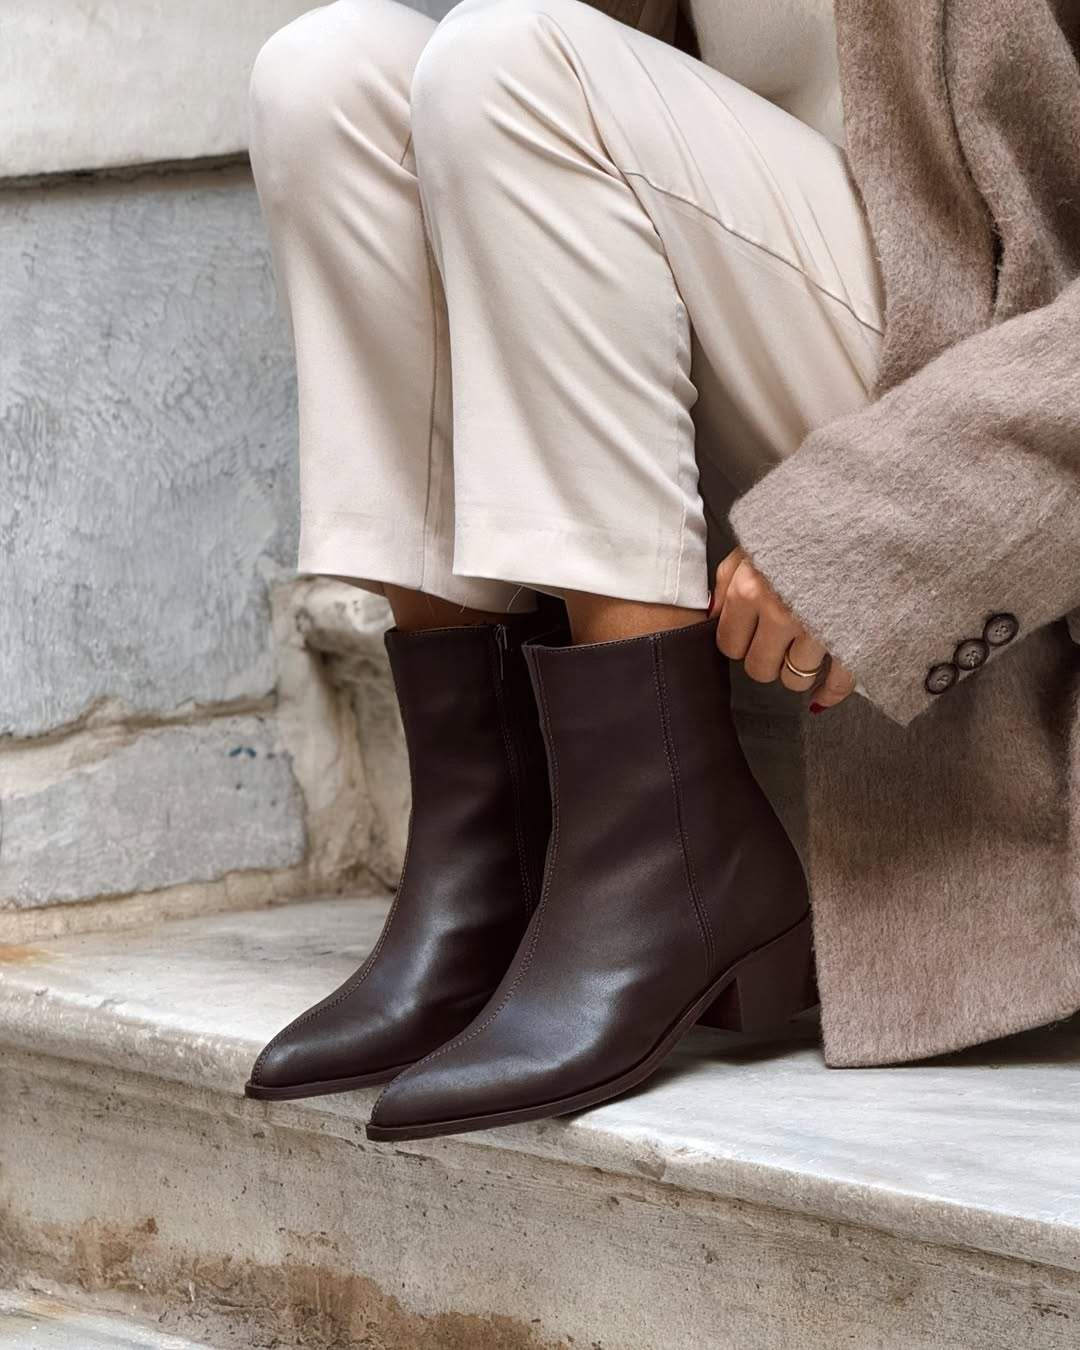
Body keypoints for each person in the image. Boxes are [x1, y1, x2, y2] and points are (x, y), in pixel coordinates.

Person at [243, 0, 1080, 1141]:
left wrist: (883, 516)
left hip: (967, 389)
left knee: (516, 62)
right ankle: (493, 848)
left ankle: (663, 856)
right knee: (327, 77)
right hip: (758, 360)